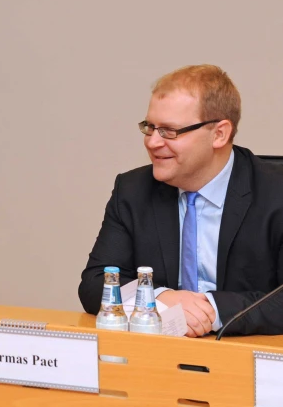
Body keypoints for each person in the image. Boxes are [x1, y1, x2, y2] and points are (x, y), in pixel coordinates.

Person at [80, 64, 283, 337]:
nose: (152, 143)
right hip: (159, 358)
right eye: (149, 128)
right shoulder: (132, 190)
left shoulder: (275, 193)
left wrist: (211, 310)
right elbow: (96, 284)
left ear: (219, 134)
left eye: (169, 131)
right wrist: (160, 298)